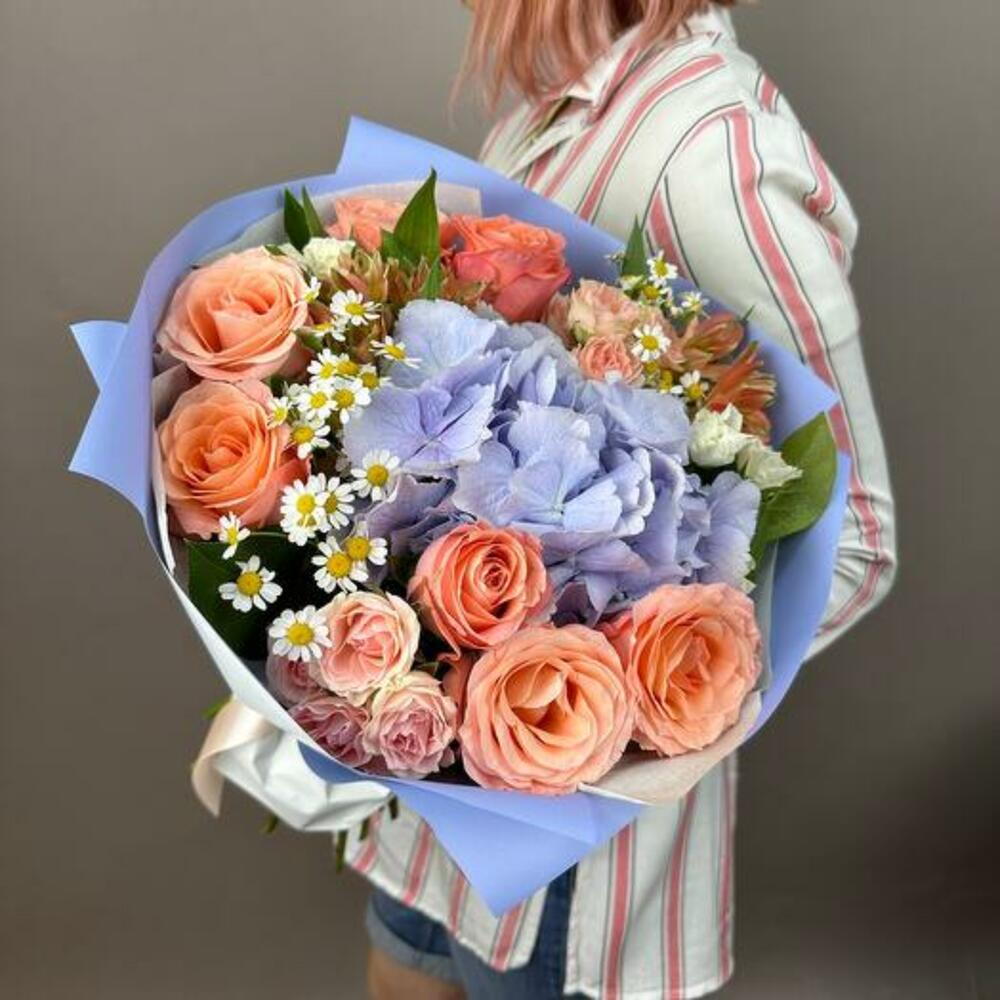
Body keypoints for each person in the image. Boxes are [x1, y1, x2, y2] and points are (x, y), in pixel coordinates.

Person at [358, 2, 897, 997]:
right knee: (400, 978)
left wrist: (604, 700)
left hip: (568, 845)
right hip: (435, 772)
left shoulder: (714, 156)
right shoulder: (543, 113)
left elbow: (857, 539)